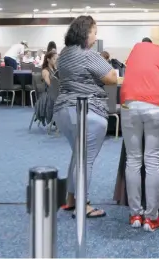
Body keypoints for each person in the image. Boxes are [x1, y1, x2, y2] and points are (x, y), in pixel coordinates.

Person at [55, 15, 117, 218]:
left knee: (77, 155)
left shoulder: (64, 53)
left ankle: (71, 199)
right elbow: (111, 78)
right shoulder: (88, 54)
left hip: (63, 110)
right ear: (85, 32)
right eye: (94, 32)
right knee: (85, 160)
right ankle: (83, 206)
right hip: (86, 111)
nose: (95, 36)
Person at [120, 39, 159, 231]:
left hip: (129, 103)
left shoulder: (137, 47)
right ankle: (151, 218)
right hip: (155, 106)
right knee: (152, 160)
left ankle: (135, 214)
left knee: (133, 160)